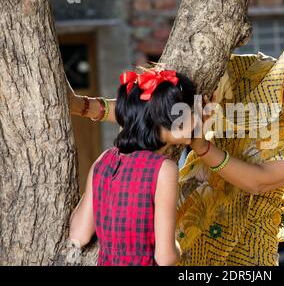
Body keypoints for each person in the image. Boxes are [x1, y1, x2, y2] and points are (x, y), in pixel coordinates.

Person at [68, 20, 284, 266]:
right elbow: (163, 106)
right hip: (185, 212)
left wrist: (201, 145)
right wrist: (86, 107)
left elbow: (259, 181)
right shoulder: (253, 73)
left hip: (245, 244)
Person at [67, 67, 196, 266]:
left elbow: (80, 234)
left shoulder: (104, 161)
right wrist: (178, 247)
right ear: (163, 118)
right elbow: (165, 257)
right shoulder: (164, 169)